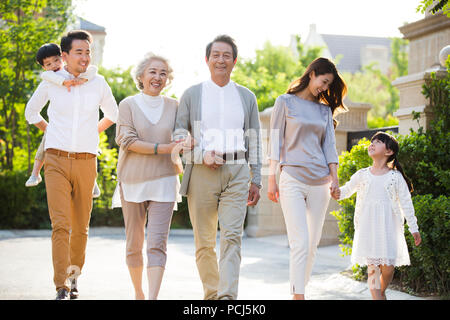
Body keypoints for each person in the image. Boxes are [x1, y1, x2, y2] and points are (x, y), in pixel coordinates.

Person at [24, 30, 118, 300]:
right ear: (64, 56)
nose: (85, 57)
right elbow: (31, 112)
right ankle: (61, 285)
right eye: (79, 52)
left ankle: (74, 276)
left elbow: (114, 114)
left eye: (89, 52)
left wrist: (94, 131)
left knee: (81, 227)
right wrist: (50, 131)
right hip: (55, 160)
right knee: (61, 225)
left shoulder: (98, 82)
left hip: (87, 162)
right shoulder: (52, 82)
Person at [174, 34, 263, 300]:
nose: (221, 60)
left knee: (232, 237)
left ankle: (227, 297)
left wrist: (256, 179)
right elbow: (179, 134)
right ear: (207, 59)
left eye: (226, 55)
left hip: (237, 170)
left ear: (234, 61)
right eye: (216, 55)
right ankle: (212, 296)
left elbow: (255, 138)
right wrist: (202, 155)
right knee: (204, 242)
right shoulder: (191, 94)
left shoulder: (246, 97)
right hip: (201, 172)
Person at [267, 57, 347, 300]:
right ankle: (298, 296)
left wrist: (334, 179)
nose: (324, 88)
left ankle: (299, 288)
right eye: (323, 81)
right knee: (300, 242)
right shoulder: (285, 102)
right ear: (312, 73)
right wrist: (272, 180)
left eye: (328, 85)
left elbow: (330, 147)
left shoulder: (324, 110)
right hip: (292, 178)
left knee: (311, 246)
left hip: (320, 184)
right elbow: (275, 142)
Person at [112, 52, 186, 300]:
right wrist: (165, 149)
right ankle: (139, 293)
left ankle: (152, 298)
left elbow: (183, 136)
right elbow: (127, 140)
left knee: (157, 244)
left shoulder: (175, 106)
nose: (158, 77)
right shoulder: (128, 105)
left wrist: (187, 142)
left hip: (165, 180)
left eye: (163, 73)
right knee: (134, 244)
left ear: (168, 79)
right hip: (132, 181)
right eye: (153, 72)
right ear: (141, 76)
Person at [333, 131, 421, 300]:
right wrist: (336, 191)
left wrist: (414, 228)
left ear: (389, 152)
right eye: (372, 141)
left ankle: (381, 292)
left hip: (388, 230)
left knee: (388, 267)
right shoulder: (362, 174)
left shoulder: (395, 178)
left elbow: (406, 204)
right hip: (368, 228)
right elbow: (346, 191)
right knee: (372, 268)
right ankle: (377, 296)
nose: (372, 144)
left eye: (378, 141)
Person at [25, 43, 101, 198]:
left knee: (88, 150)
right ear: (44, 67)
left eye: (56, 60)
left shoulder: (75, 73)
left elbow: (93, 70)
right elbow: (30, 112)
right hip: (58, 128)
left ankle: (93, 183)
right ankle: (35, 173)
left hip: (81, 123)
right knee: (45, 145)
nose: (54, 65)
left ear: (63, 57)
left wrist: (84, 78)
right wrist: (47, 128)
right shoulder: (49, 79)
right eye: (48, 64)